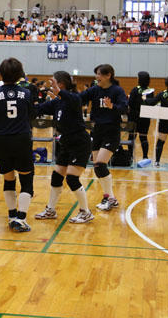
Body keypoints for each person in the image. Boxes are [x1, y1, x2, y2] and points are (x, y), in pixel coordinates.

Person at [0, 58, 35, 232]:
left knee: (8, 178)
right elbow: (32, 115)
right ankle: (21, 218)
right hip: (22, 138)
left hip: (2, 140)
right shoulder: (26, 94)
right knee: (26, 179)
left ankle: (12, 216)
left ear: (1, 74)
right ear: (19, 75)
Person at [35, 71, 94, 223]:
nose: (51, 85)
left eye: (53, 83)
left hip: (80, 143)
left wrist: (59, 92)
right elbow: (39, 109)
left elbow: (74, 99)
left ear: (60, 84)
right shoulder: (58, 102)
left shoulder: (74, 98)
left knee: (72, 178)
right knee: (56, 176)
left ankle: (86, 212)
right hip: (66, 142)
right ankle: (50, 210)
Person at [79, 64, 128, 209]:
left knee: (100, 164)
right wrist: (62, 96)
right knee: (97, 167)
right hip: (97, 131)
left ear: (108, 75)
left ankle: (111, 198)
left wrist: (112, 106)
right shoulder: (95, 90)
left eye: (99, 74)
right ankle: (109, 197)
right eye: (96, 74)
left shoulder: (117, 91)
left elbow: (124, 108)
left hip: (111, 131)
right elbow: (78, 98)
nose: (97, 77)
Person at [127, 71, 154, 161]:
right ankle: (145, 157)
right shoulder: (150, 91)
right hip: (145, 116)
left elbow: (130, 103)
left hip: (134, 116)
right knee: (143, 137)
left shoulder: (135, 90)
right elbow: (151, 103)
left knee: (131, 137)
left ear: (140, 79)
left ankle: (130, 156)